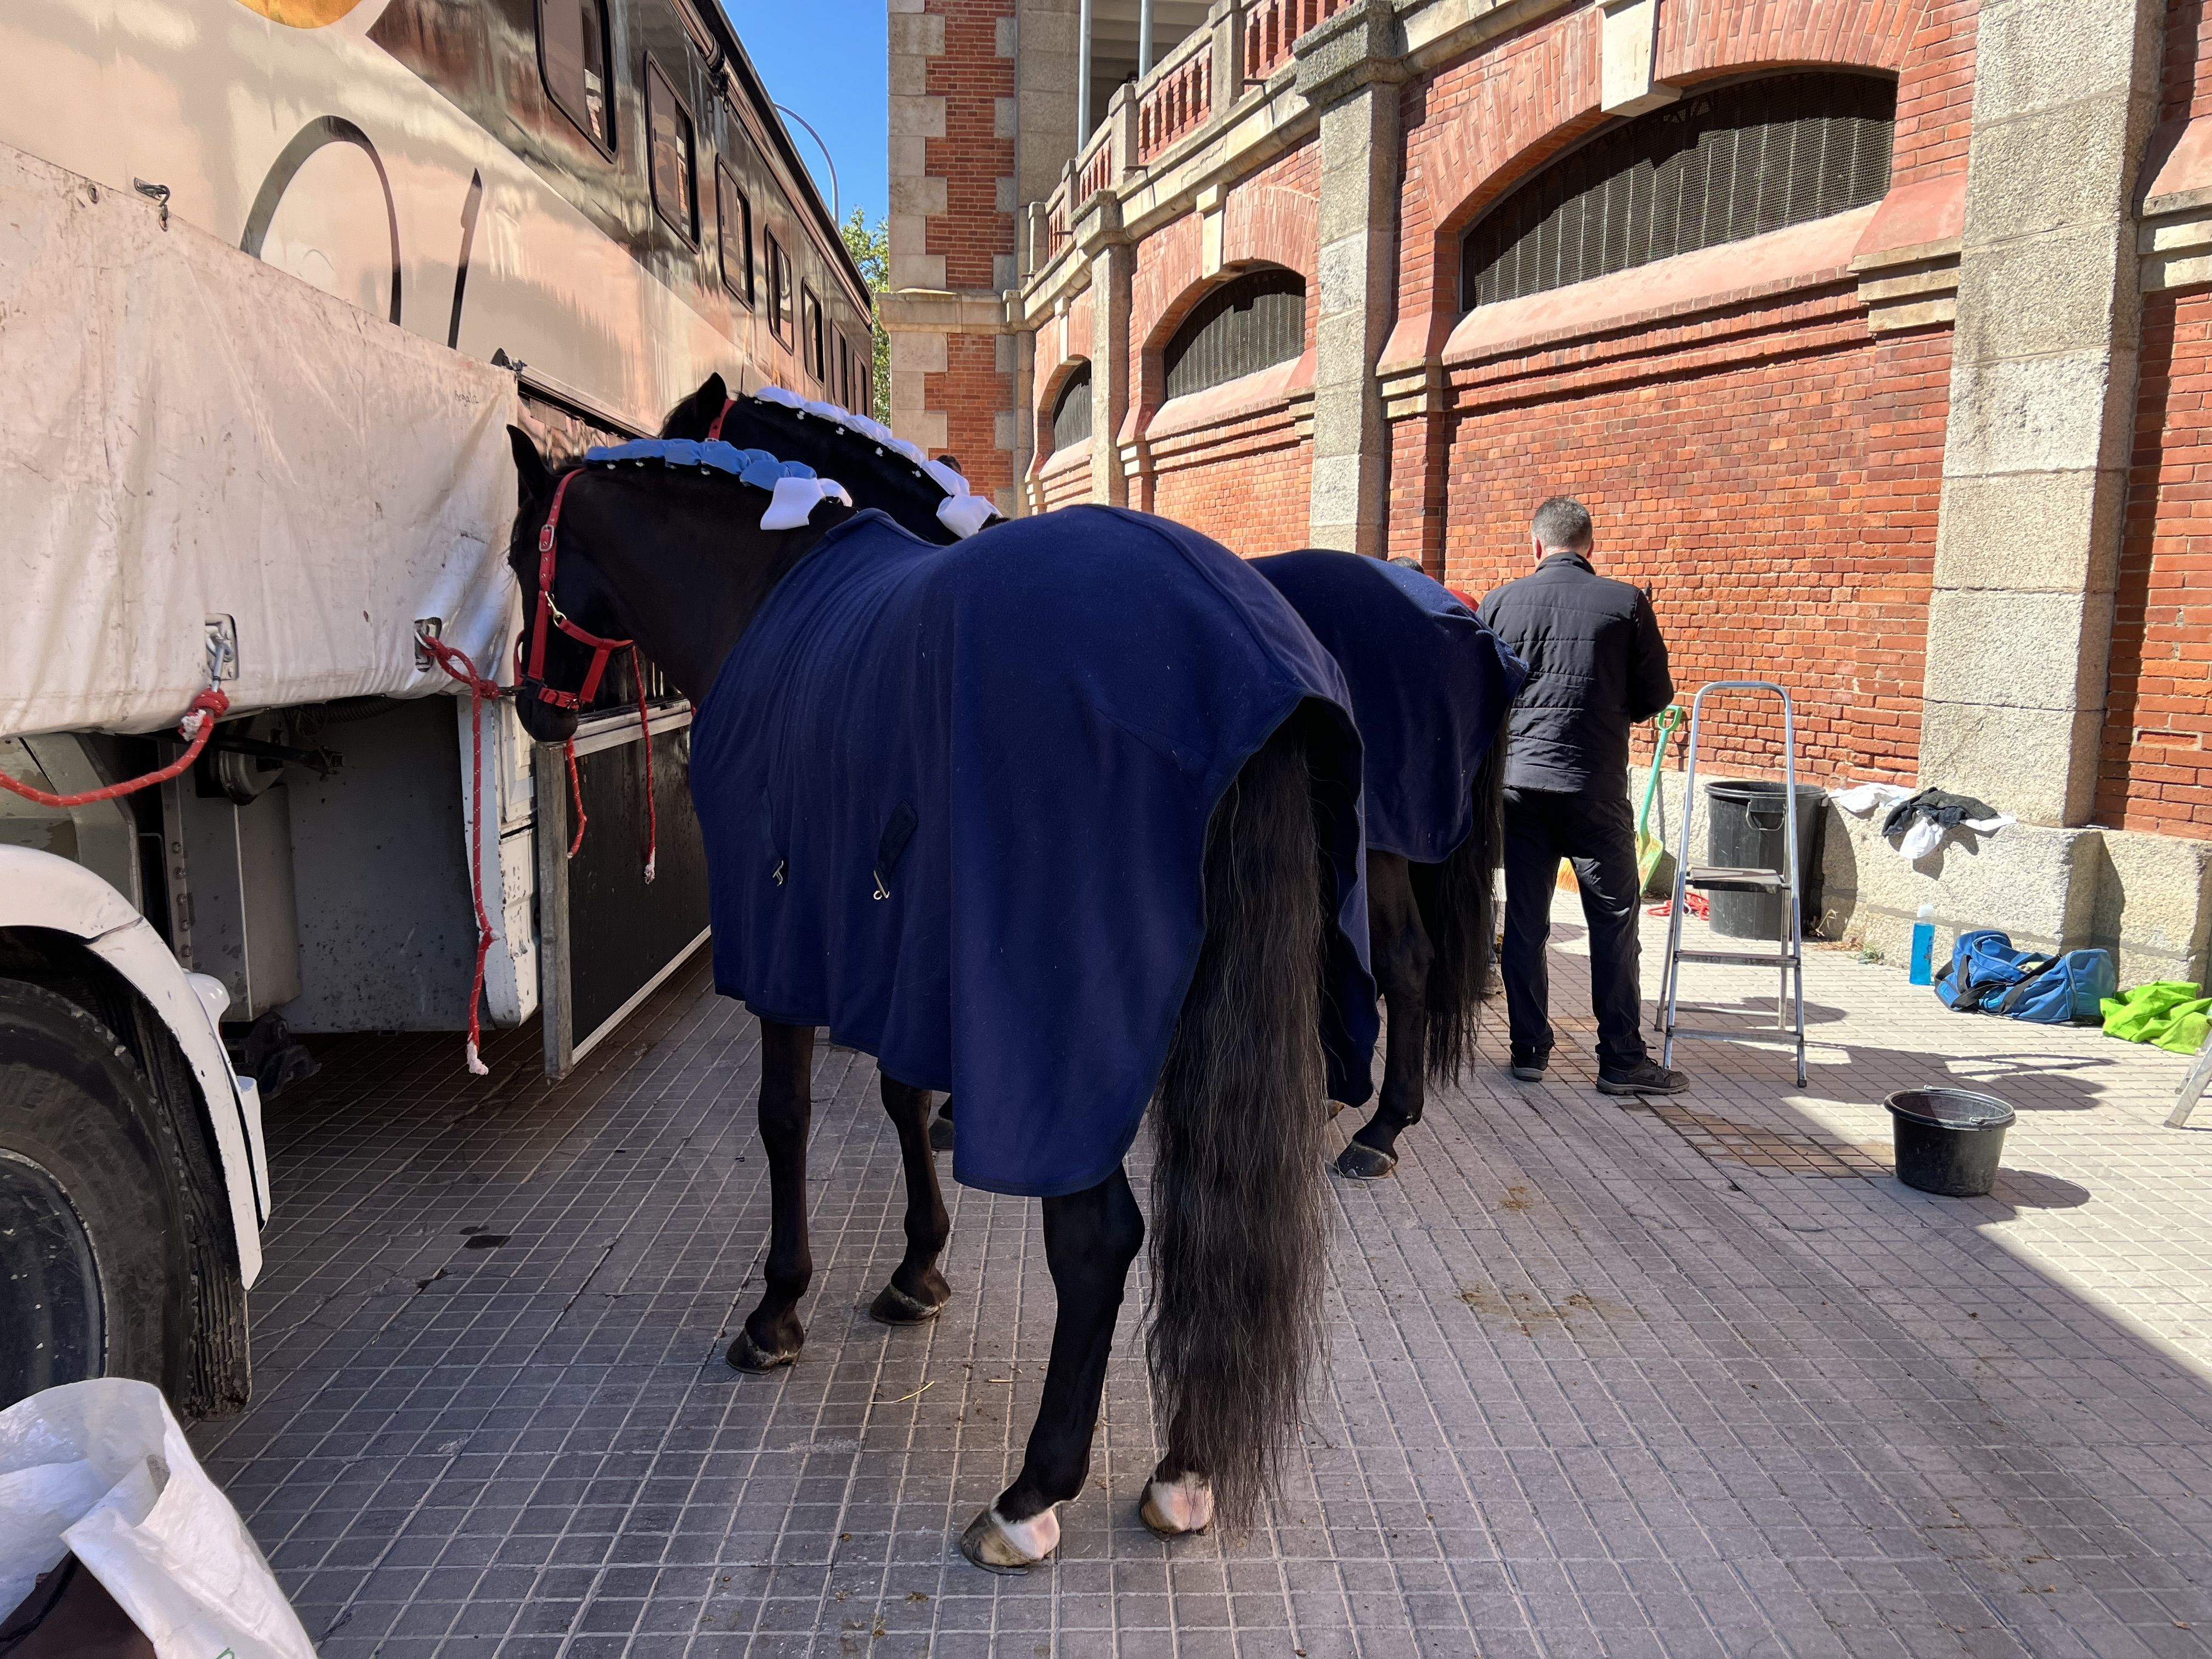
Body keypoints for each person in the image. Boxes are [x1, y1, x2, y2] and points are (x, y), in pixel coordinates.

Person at [1477, 498, 1686, 1095]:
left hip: (1520, 786)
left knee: (1525, 921)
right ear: (1591, 546)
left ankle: (1527, 1050)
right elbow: (1655, 696)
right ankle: (1621, 1060)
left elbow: (1483, 693)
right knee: (1615, 924)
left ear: (1536, 546)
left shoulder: (1499, 603)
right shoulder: (1625, 603)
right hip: (1594, 787)